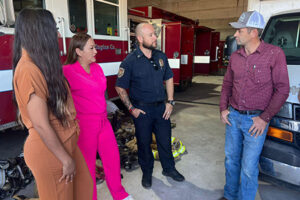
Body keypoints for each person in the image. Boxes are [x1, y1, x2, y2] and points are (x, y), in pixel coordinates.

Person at [13, 9, 93, 200]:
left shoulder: (39, 64)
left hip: (65, 142)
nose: (57, 34)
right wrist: (65, 159)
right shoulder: (28, 69)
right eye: (54, 29)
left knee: (84, 189)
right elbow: (40, 123)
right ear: (40, 31)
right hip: (51, 152)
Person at [219, 11, 289, 200]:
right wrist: (223, 109)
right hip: (233, 116)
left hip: (255, 121)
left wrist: (264, 118)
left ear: (253, 32)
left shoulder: (274, 54)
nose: (235, 35)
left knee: (249, 167)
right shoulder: (235, 57)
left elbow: (283, 89)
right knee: (231, 160)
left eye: (239, 31)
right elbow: (227, 84)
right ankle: (229, 195)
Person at [63, 33, 132, 200]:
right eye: (91, 48)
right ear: (78, 51)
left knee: (113, 159)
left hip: (103, 121)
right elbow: (61, 102)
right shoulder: (66, 71)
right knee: (87, 168)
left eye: (95, 47)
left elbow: (102, 95)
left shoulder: (97, 68)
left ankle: (119, 194)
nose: (96, 51)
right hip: (84, 125)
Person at [115, 23, 185, 189]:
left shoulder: (161, 56)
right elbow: (119, 86)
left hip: (162, 108)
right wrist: (131, 109)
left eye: (155, 34)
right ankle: (147, 173)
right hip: (143, 110)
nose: (155, 38)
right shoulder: (130, 61)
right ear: (140, 39)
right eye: (151, 35)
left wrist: (170, 101)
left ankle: (169, 169)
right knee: (144, 143)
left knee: (164, 141)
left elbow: (168, 78)